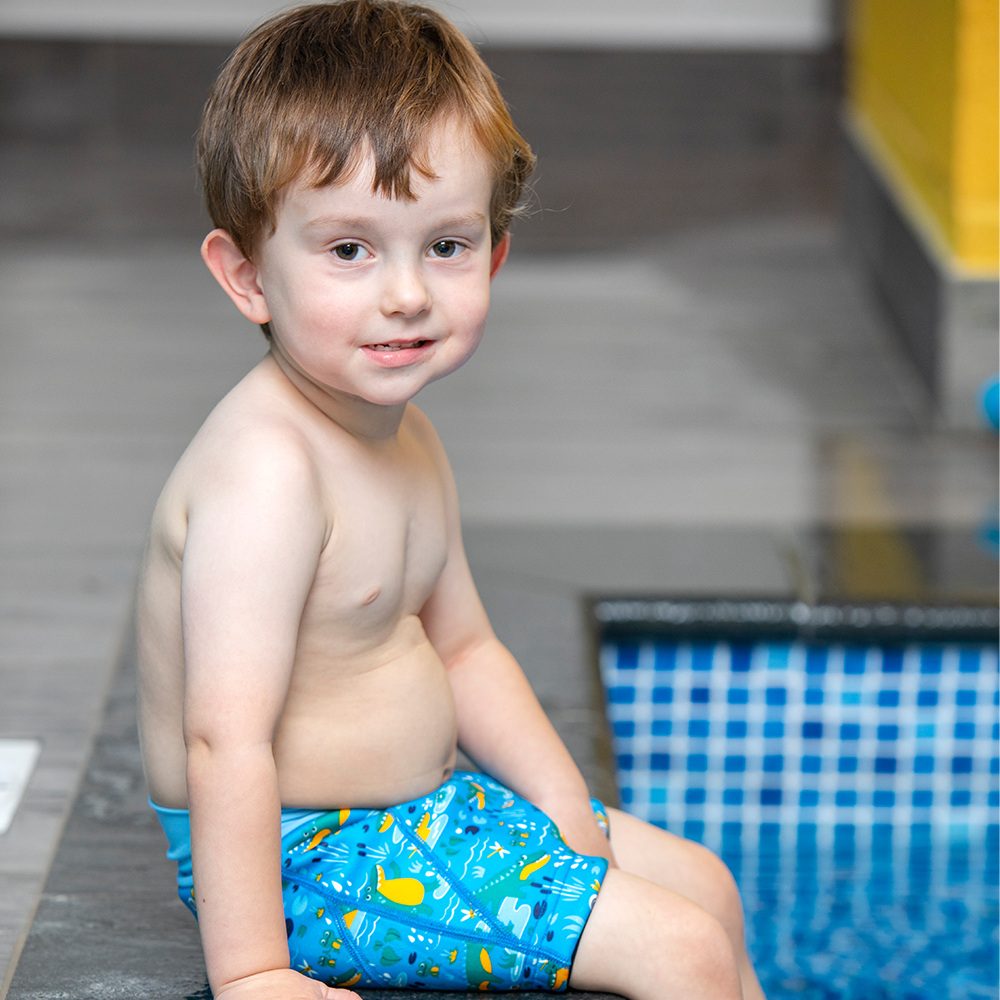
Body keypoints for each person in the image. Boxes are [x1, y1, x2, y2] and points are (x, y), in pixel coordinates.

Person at [136, 2, 766, 997]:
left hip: (422, 814)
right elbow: (225, 740)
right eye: (350, 249)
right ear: (247, 275)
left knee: (706, 889)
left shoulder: (408, 439)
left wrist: (563, 808)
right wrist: (252, 969)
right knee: (677, 947)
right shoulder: (268, 473)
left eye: (445, 245)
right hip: (308, 859)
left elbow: (465, 648)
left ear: (495, 253)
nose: (406, 294)